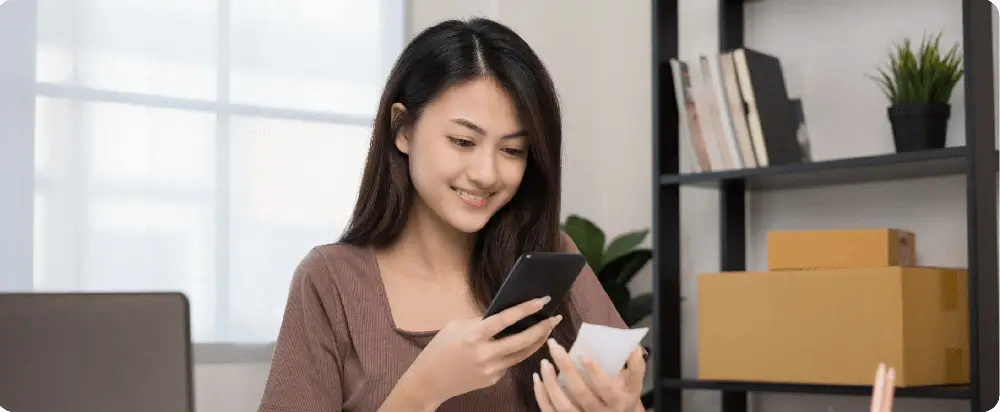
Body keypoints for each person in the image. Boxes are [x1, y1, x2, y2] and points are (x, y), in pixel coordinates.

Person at [257, 17, 646, 412]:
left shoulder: (551, 256)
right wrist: (423, 389)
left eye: (511, 150)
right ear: (403, 129)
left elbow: (625, 390)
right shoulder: (331, 281)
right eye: (463, 141)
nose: (486, 174)